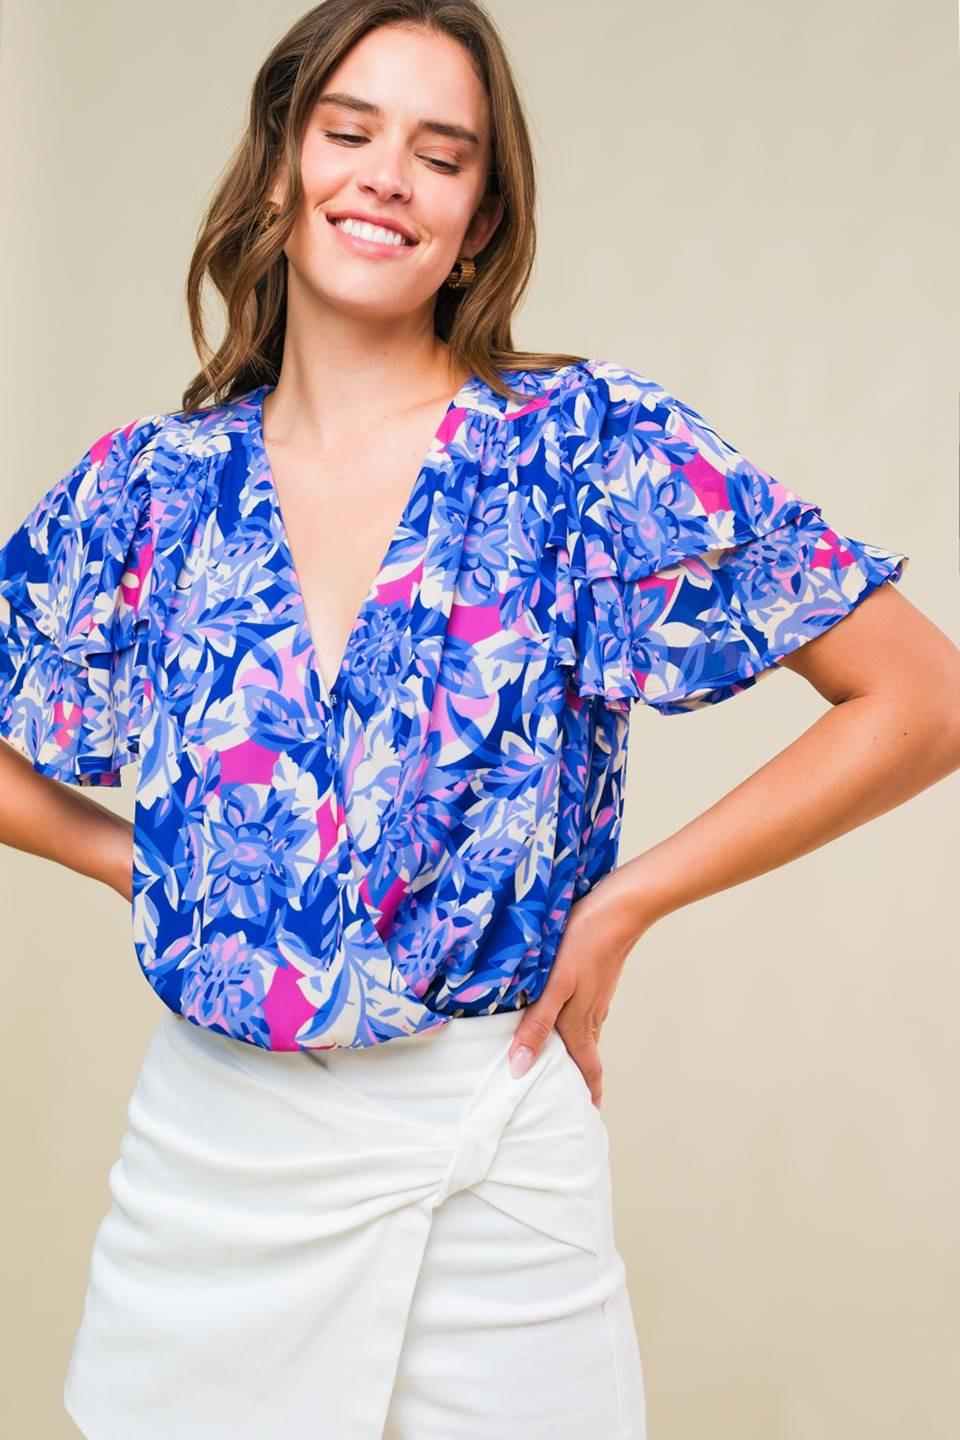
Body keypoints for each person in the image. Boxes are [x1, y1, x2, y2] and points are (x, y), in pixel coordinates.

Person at [1, 2, 958, 1437]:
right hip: (212, 1169)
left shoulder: (584, 449)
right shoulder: (153, 487)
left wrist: (626, 902)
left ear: (479, 217)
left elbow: (922, 700)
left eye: (440, 154)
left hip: (488, 1146)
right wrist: (141, 862)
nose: (388, 175)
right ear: (281, 167)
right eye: (349, 132)